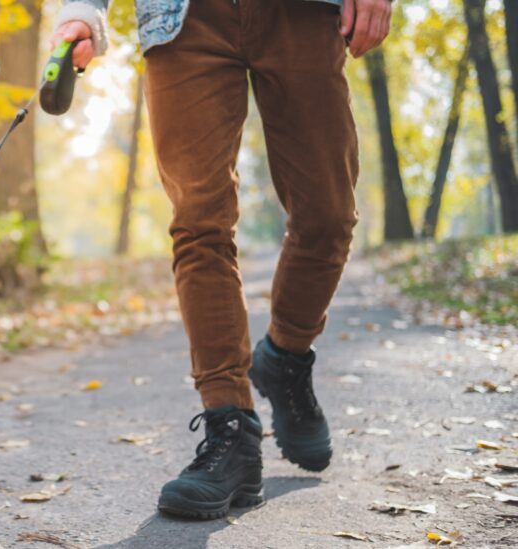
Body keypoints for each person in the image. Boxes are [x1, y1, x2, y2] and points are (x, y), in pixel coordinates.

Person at [50, 0, 392, 519]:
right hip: (183, 19)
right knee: (199, 222)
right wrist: (82, 11)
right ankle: (229, 425)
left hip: (301, 14)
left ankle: (287, 356)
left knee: (328, 214)